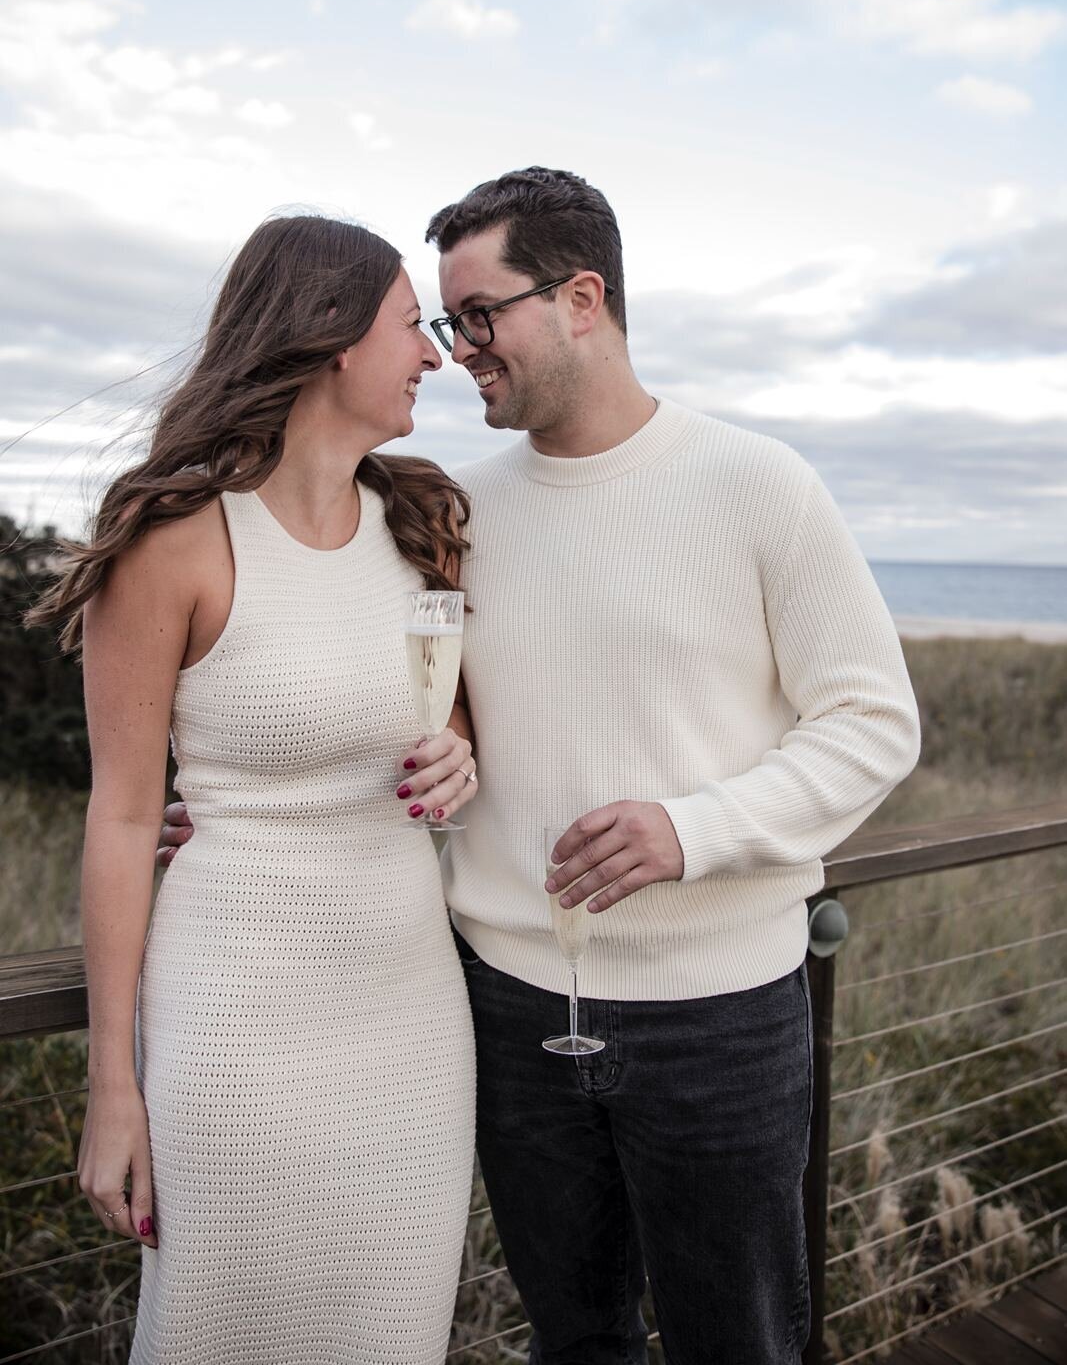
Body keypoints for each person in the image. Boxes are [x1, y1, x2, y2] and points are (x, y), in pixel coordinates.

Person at [163, 169, 921, 1365]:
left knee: (742, 1342)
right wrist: (229, 813)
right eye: (444, 324)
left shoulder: (759, 484)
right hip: (502, 1008)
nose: (458, 350)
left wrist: (696, 827)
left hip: (717, 1019)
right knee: (572, 1340)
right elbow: (369, 695)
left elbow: (872, 721)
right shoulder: (447, 509)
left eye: (479, 316)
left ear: (581, 297)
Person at [31, 215, 480, 1364]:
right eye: (408, 326)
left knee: (391, 1333)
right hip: (236, 1019)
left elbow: (443, 709)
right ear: (331, 338)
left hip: (410, 1019)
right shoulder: (176, 542)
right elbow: (125, 817)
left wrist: (464, 748)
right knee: (222, 1327)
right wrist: (112, 1086)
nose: (432, 353)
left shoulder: (422, 522)